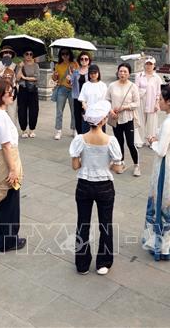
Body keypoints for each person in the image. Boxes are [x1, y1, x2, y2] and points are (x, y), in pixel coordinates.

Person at [69, 100, 123, 275]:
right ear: (103, 120)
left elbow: (75, 166)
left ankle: (82, 264)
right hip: (105, 186)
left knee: (82, 223)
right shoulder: (111, 141)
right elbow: (117, 167)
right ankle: (103, 263)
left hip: (84, 184)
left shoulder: (80, 139)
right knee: (105, 223)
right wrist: (109, 166)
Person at [142, 86, 170, 260]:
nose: (158, 101)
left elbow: (161, 151)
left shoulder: (169, 122)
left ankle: (162, 245)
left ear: (169, 102)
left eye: (160, 99)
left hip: (166, 165)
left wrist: (153, 142)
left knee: (163, 201)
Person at [0, 79, 26, 252]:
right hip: (5, 161)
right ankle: (9, 241)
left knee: (1, 201)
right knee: (10, 201)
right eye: (8, 92)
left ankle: (0, 238)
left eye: (12, 91)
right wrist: (12, 169)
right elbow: (6, 145)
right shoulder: (1, 116)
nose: (12, 94)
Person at [106, 62, 141, 176]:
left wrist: (125, 107)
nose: (122, 73)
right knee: (119, 142)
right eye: (120, 71)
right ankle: (121, 162)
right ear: (117, 72)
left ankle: (136, 165)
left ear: (129, 73)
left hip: (128, 118)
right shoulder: (112, 85)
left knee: (131, 143)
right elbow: (107, 100)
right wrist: (111, 111)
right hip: (115, 118)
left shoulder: (133, 86)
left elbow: (137, 103)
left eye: (125, 71)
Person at [134, 56, 163, 147]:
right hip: (141, 100)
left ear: (154, 65)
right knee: (140, 121)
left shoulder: (157, 78)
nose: (148, 66)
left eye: (151, 64)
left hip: (152, 101)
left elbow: (159, 92)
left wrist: (157, 103)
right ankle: (139, 140)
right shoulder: (139, 76)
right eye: (147, 64)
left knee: (152, 122)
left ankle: (150, 140)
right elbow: (135, 89)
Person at [52, 48, 77, 140]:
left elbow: (77, 77)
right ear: (60, 55)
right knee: (59, 111)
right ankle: (58, 130)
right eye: (63, 54)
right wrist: (55, 75)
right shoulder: (58, 65)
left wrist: (73, 74)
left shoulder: (74, 64)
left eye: (67, 54)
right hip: (62, 88)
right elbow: (55, 79)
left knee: (74, 111)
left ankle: (74, 129)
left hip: (72, 89)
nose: (65, 56)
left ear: (70, 54)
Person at [16, 50, 40, 138]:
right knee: (22, 110)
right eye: (27, 54)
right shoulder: (20, 65)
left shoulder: (36, 65)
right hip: (23, 89)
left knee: (34, 110)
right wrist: (20, 67)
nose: (29, 56)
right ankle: (23, 130)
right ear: (23, 55)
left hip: (33, 90)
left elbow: (37, 78)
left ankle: (32, 130)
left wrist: (25, 77)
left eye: (31, 54)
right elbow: (18, 79)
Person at [78, 64, 107, 133]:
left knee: (99, 136)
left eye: (95, 73)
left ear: (98, 73)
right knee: (86, 134)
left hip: (99, 114)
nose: (93, 75)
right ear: (88, 74)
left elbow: (105, 101)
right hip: (88, 113)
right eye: (91, 73)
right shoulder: (85, 85)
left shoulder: (103, 85)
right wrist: (85, 107)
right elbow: (82, 99)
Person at [71, 51, 91, 136]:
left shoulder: (91, 71)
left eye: (86, 59)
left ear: (89, 60)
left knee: (87, 117)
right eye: (82, 59)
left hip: (87, 99)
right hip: (77, 97)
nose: (84, 60)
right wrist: (69, 79)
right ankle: (79, 134)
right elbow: (71, 83)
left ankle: (86, 134)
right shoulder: (76, 72)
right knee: (77, 116)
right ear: (79, 60)